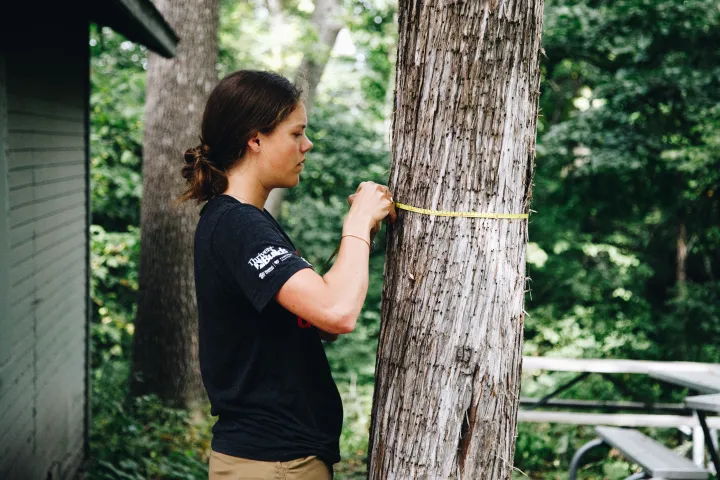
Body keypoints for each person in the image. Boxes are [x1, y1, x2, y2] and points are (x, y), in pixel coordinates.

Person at [179, 69, 397, 479]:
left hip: (279, 460)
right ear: (256, 139)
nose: (307, 145)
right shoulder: (238, 227)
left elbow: (320, 321)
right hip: (272, 464)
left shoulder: (246, 222)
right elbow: (337, 313)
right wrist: (356, 221)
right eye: (296, 133)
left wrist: (361, 230)